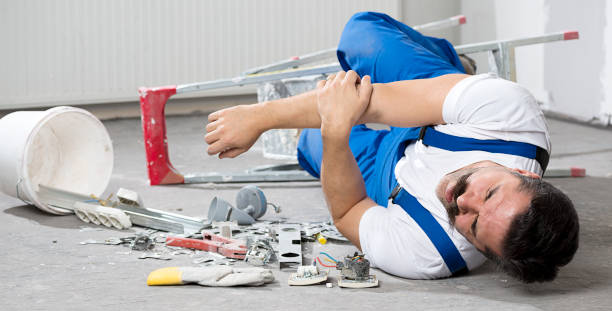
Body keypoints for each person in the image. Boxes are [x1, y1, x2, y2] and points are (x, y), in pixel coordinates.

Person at [204, 12, 579, 282]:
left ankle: (435, 89)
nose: (462, 200)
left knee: (311, 142)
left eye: (474, 225)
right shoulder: (507, 113)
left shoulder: (429, 254)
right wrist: (259, 117)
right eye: (490, 192)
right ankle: (452, 70)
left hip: (393, 177)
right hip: (442, 118)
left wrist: (335, 134)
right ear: (523, 172)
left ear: (482, 254)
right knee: (361, 35)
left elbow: (349, 209)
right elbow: (369, 101)